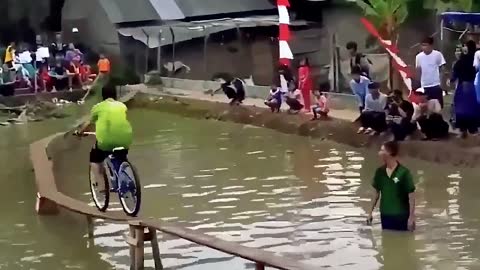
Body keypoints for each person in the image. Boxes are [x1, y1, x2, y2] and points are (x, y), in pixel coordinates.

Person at [75, 83, 133, 190]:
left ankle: (101, 186)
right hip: (126, 139)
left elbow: (88, 123)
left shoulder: (98, 107)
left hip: (106, 141)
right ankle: (123, 178)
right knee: (119, 156)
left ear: (103, 96)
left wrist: (79, 132)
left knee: (95, 158)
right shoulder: (122, 106)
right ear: (115, 94)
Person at [367, 141, 416, 232]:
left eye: (382, 150)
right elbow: (376, 194)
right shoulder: (380, 172)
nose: (379, 153)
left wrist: (411, 217)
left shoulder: (404, 173)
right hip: (386, 215)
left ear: (389, 153)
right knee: (387, 242)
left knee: (404, 242)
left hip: (402, 216)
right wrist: (370, 213)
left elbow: (411, 196)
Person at [451, 40, 479, 138]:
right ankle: (471, 129)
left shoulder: (463, 61)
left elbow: (455, 73)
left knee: (463, 109)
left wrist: (452, 79)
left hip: (465, 87)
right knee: (470, 108)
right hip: (471, 87)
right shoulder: (473, 60)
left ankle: (465, 129)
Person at [415, 36, 446, 108]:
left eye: (425, 45)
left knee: (438, 106)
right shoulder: (419, 57)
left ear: (431, 45)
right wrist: (418, 83)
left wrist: (442, 82)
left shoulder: (437, 54)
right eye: (422, 45)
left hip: (436, 84)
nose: (423, 47)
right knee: (426, 106)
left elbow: (442, 67)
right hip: (425, 85)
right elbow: (418, 70)